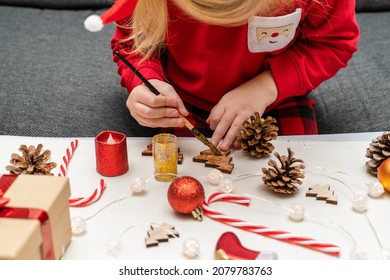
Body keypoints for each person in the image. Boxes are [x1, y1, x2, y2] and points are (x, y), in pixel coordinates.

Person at [98, 0, 359, 150]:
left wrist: (267, 87)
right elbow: (133, 44)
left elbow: (333, 44)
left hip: (278, 99)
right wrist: (146, 81)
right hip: (181, 103)